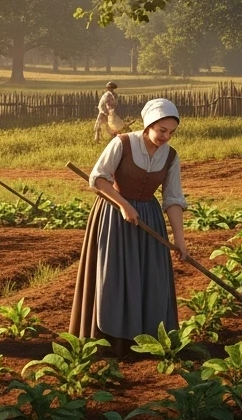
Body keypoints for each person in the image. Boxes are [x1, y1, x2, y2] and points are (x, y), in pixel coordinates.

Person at [70, 97, 189, 357]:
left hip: (149, 221)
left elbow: (173, 200)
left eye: (171, 132)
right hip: (114, 216)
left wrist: (179, 240)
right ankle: (110, 342)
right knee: (113, 276)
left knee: (151, 280)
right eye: (162, 130)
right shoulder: (122, 143)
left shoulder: (170, 157)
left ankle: (146, 341)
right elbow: (98, 179)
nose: (166, 137)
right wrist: (123, 205)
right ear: (148, 126)